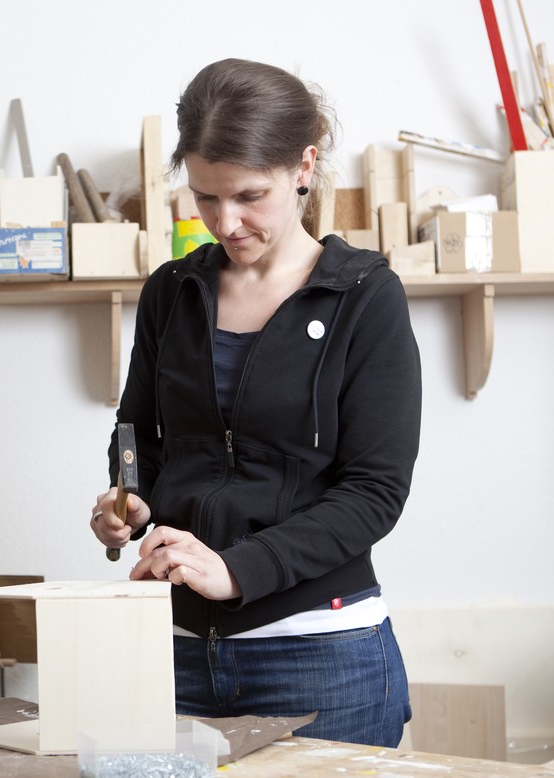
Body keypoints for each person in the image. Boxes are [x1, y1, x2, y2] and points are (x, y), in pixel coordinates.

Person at [89, 58, 421, 748]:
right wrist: (129, 500)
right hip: (172, 651)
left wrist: (238, 568)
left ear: (303, 166)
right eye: (206, 198)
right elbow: (137, 436)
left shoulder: (366, 298)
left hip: (321, 657)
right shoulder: (170, 292)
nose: (226, 222)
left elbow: (373, 491)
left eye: (248, 195)